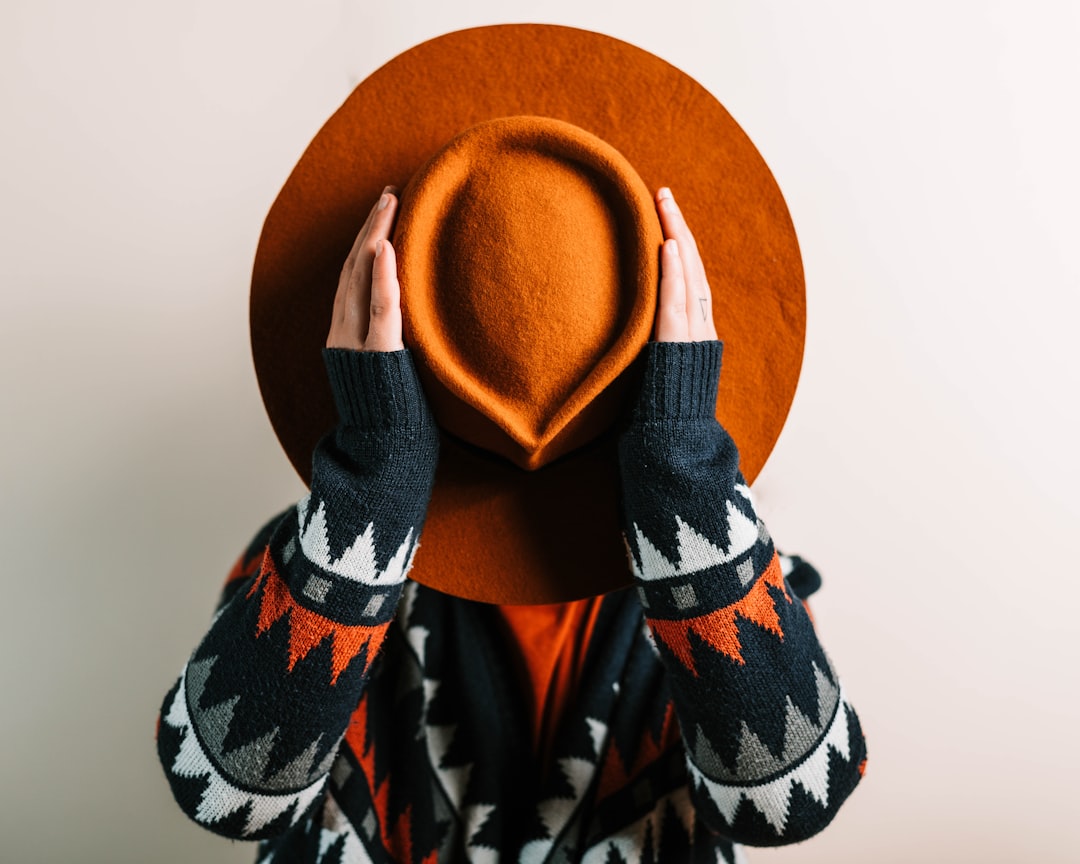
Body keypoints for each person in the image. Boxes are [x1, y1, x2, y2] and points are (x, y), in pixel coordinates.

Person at [157, 185, 867, 864]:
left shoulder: (736, 578)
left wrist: (684, 479)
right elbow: (225, 793)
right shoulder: (316, 562)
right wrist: (371, 487)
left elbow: (792, 800)